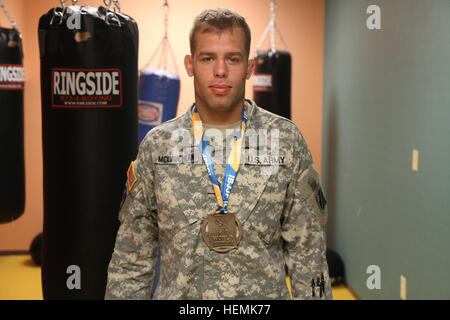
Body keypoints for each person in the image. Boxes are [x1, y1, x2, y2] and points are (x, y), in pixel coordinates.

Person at [105, 7, 332, 300]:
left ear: (249, 68)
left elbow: (308, 258)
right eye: (208, 58)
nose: (220, 71)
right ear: (190, 65)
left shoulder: (285, 142)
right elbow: (131, 260)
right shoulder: (158, 146)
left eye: (232, 59)